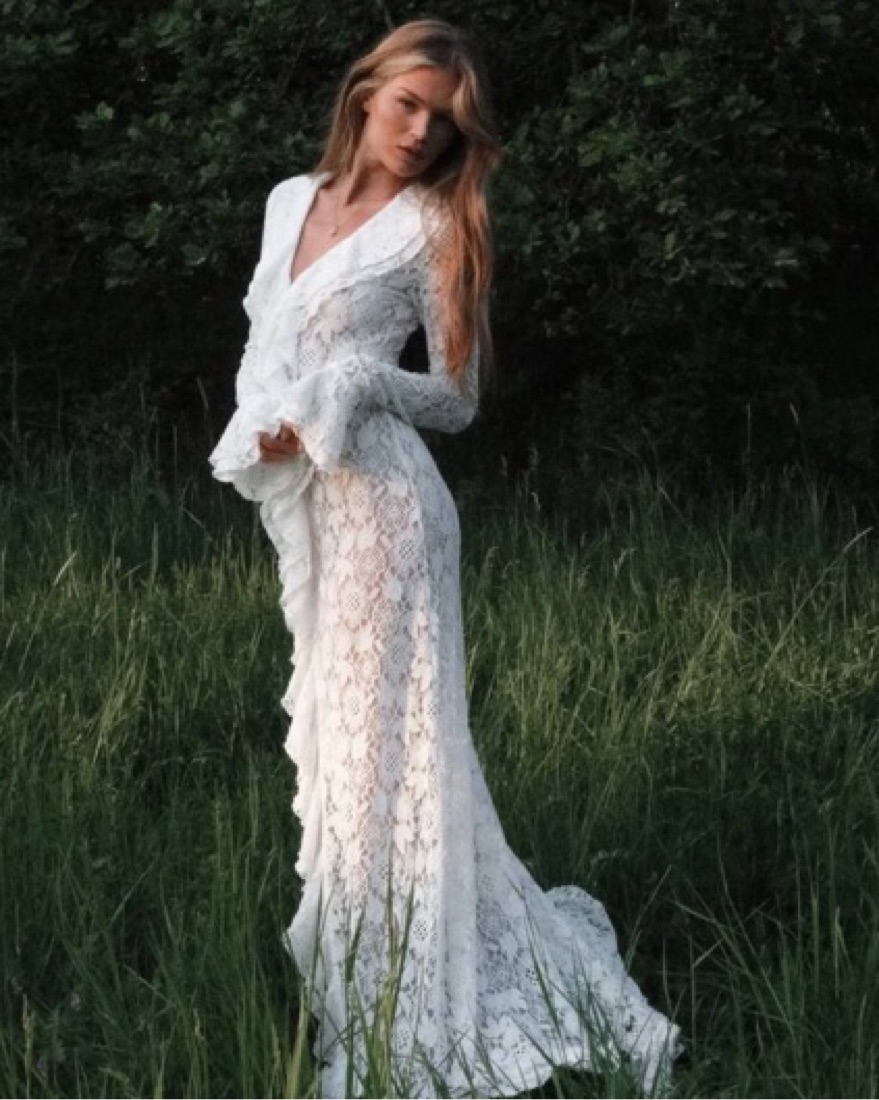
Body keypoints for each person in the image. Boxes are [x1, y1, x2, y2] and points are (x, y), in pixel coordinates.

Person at [209, 18, 679, 1099]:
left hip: (389, 511)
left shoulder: (434, 225)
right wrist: (266, 423)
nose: (421, 132)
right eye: (407, 104)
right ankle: (360, 963)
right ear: (365, 92)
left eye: (444, 121)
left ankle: (403, 986)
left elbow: (456, 400)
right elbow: (262, 343)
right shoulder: (289, 200)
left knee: (393, 755)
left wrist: (359, 381)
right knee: (342, 755)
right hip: (317, 509)